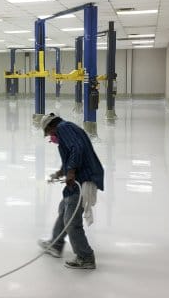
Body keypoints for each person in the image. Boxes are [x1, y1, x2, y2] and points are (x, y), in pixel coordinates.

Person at [38, 113, 104, 269]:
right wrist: (61, 172)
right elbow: (72, 153)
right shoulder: (67, 129)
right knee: (64, 209)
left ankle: (85, 257)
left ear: (50, 126)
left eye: (49, 134)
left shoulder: (63, 128)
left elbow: (77, 148)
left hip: (82, 178)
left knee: (71, 220)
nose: (51, 137)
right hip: (79, 176)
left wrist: (71, 172)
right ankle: (56, 244)